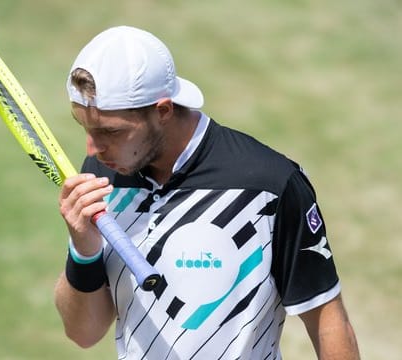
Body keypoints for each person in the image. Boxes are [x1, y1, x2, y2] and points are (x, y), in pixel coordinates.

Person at [53, 25, 360, 359]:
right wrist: (84, 250)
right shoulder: (103, 177)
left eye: (110, 131)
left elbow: (328, 321)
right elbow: (83, 332)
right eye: (84, 128)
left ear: (163, 111)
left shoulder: (269, 185)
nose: (93, 148)